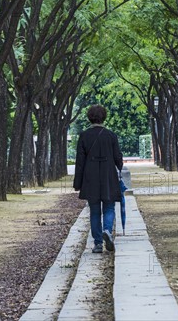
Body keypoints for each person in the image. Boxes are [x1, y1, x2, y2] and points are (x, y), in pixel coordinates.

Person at [73, 104, 123, 253]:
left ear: (89, 117)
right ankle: (107, 230)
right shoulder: (111, 135)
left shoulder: (84, 136)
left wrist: (78, 183)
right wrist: (119, 165)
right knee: (109, 207)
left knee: (94, 211)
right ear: (104, 117)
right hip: (108, 177)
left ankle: (98, 243)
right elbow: (118, 159)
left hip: (91, 178)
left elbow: (80, 162)